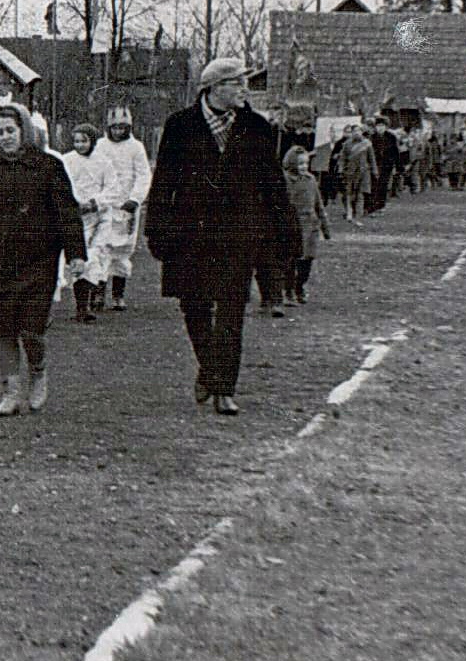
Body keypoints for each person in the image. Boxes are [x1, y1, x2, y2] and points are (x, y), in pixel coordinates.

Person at [143, 58, 298, 417]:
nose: (244, 90)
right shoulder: (180, 126)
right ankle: (210, 368)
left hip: (237, 237)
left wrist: (285, 230)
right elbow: (164, 181)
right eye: (236, 83)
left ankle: (224, 388)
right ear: (213, 88)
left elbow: (273, 183)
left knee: (231, 310)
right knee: (194, 306)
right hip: (190, 235)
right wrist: (157, 230)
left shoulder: (256, 128)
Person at [0, 103, 87, 416]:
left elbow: (67, 213)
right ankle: (10, 391)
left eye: (11, 130)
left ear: (24, 130)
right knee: (4, 327)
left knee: (32, 328)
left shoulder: (48, 166)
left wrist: (76, 254)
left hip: (38, 261)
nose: (5, 137)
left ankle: (38, 371)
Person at [88, 105, 152, 311]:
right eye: (114, 127)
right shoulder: (100, 146)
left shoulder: (136, 147)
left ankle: (118, 295)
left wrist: (135, 199)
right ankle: (98, 293)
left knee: (123, 250)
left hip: (126, 207)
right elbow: (94, 171)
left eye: (122, 128)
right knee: (101, 248)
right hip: (106, 205)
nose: (118, 131)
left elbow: (143, 175)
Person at [60, 122, 104, 323]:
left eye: (84, 141)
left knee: (93, 258)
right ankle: (81, 306)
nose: (79, 145)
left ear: (92, 141)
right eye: (76, 141)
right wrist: (72, 204)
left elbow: (112, 189)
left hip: (97, 218)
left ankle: (87, 303)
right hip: (74, 217)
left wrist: (95, 203)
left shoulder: (103, 162)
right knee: (76, 259)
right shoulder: (66, 160)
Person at [281, 146, 331, 308]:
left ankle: (299, 286)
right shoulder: (285, 181)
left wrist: (325, 228)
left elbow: (318, 205)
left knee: (307, 261)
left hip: (310, 227)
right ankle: (288, 290)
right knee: (291, 261)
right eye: (300, 163)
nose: (304, 167)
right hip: (292, 226)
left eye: (306, 163)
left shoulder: (311, 180)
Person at [338, 122, 377, 224]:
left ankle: (358, 216)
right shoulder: (347, 144)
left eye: (358, 130)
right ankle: (349, 212)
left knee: (360, 194)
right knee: (349, 194)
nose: (356, 133)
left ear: (361, 132)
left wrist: (374, 171)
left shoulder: (367, 143)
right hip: (350, 172)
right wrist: (341, 169)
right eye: (354, 131)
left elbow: (372, 159)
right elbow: (342, 158)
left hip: (364, 172)